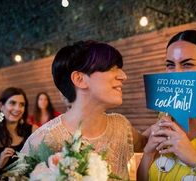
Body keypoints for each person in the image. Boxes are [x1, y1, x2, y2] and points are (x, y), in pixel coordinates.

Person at [21, 40, 147, 179]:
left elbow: (146, 144)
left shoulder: (121, 126)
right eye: (111, 67)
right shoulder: (43, 140)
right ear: (79, 79)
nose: (123, 76)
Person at [137, 30, 196, 181]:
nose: (176, 73)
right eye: (170, 65)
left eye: (187, 64)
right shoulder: (165, 117)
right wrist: (148, 153)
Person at [0, 87, 38, 178]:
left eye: (22, 104)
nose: (17, 108)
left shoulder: (33, 130)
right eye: (12, 103)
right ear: (1, 106)